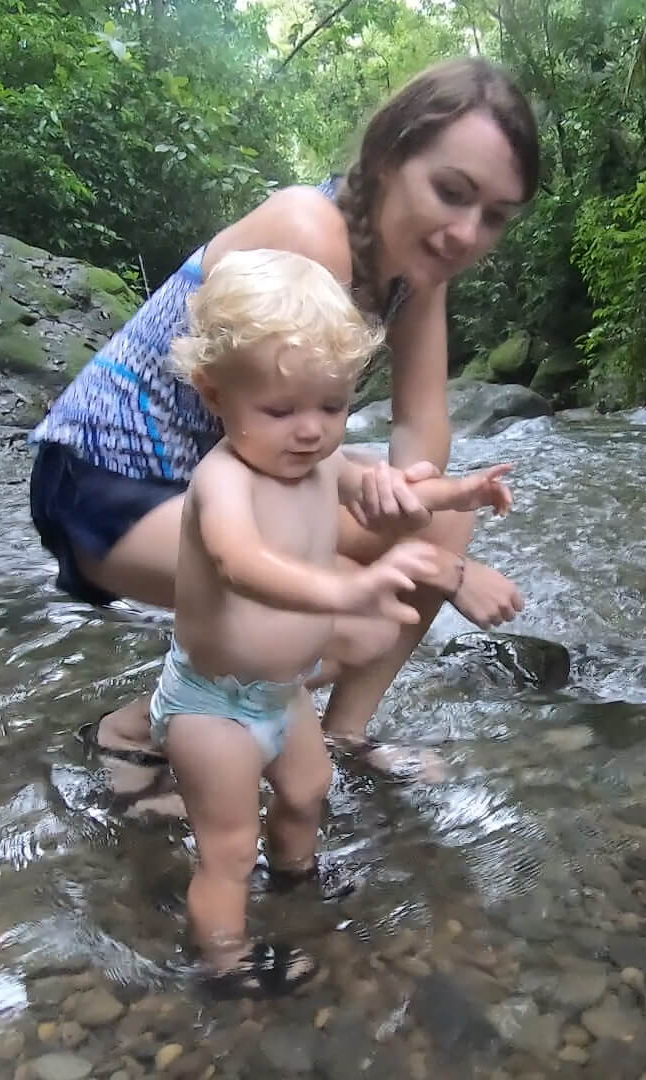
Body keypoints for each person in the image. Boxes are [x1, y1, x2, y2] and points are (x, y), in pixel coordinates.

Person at [29, 57, 541, 804]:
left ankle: (342, 736)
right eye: (451, 193)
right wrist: (412, 563)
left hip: (231, 478)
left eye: (494, 215)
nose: (467, 232)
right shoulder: (309, 232)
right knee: (342, 608)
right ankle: (141, 727)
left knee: (441, 517)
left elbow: (420, 420)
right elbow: (243, 438)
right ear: (388, 157)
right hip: (107, 483)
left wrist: (409, 497)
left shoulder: (416, 276)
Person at [150, 248, 514, 996]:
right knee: (227, 845)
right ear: (214, 394)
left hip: (281, 695)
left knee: (308, 792)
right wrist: (348, 592)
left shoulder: (318, 460)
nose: (311, 431)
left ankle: (296, 882)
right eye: (281, 411)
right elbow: (240, 563)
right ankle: (222, 961)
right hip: (213, 706)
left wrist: (460, 494)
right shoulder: (223, 481)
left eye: (333, 405)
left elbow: (390, 494)